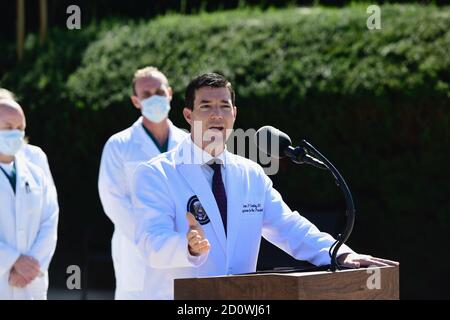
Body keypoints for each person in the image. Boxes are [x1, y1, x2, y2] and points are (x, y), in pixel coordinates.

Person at [131, 73, 399, 300]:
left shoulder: (250, 174)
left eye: (224, 106)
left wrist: (339, 254)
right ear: (188, 115)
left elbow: (289, 227)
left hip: (240, 301)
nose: (216, 115)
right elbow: (150, 245)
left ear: (234, 114)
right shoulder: (156, 174)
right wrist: (187, 247)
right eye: (206, 106)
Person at [98, 66, 188, 299]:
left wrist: (177, 242)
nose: (154, 98)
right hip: (136, 250)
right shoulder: (119, 145)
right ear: (136, 101)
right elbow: (113, 201)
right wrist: (153, 237)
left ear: (169, 93)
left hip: (183, 251)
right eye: (146, 95)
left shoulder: (189, 143)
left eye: (159, 92)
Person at [0, 96, 59, 300]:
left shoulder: (35, 173)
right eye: (8, 126)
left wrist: (32, 265)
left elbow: (50, 220)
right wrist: (12, 260)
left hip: (30, 284)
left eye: (20, 127)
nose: (15, 133)